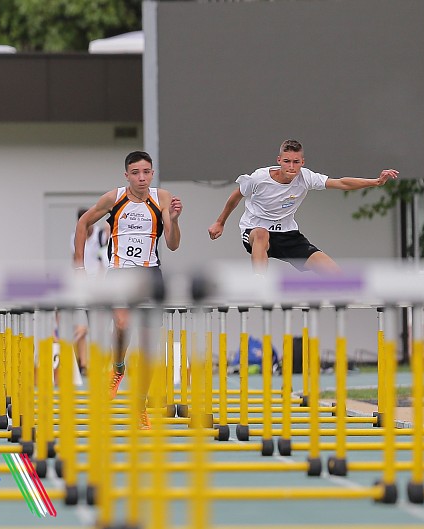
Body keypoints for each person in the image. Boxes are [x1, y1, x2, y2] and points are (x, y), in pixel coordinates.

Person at [74, 151, 182, 429]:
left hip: (150, 274)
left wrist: (174, 219)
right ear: (127, 175)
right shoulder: (114, 198)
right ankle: (118, 368)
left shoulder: (162, 198)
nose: (141, 178)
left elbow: (172, 244)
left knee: (148, 344)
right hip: (119, 273)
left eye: (146, 172)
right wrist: (79, 265)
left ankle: (140, 405)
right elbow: (83, 223)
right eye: (136, 173)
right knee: (122, 324)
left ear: (152, 173)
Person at [208, 139, 399, 274]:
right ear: (279, 160)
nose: (291, 167)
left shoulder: (306, 177)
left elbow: (341, 183)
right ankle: (260, 284)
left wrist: (376, 182)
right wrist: (220, 222)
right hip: (255, 230)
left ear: (302, 162)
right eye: (287, 161)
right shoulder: (259, 178)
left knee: (335, 273)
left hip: (288, 234)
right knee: (261, 234)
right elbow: (236, 196)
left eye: (296, 162)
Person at [69, 208, 109, 373]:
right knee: (82, 325)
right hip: (83, 286)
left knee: (99, 326)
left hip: (99, 286)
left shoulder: (101, 235)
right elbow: (74, 259)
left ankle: (100, 362)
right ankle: (83, 363)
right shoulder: (74, 237)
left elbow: (104, 259)